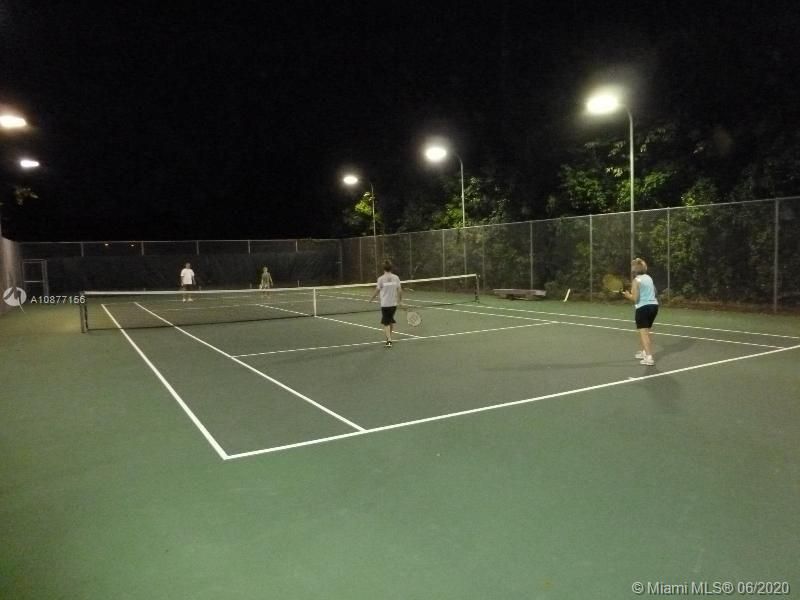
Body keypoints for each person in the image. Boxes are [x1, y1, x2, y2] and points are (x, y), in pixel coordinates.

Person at [621, 257, 659, 365]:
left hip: (643, 308)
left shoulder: (636, 280)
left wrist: (628, 295)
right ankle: (643, 352)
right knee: (646, 331)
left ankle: (649, 357)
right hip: (654, 306)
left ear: (634, 270)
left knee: (643, 333)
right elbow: (655, 292)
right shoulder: (649, 278)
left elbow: (635, 299)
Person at [369, 260, 402, 348]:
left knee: (386, 323)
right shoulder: (396, 277)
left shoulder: (381, 279)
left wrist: (371, 298)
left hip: (385, 304)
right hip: (394, 304)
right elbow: (399, 290)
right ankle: (389, 338)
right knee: (390, 321)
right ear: (391, 268)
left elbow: (377, 290)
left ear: (383, 268)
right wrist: (400, 300)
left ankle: (389, 341)